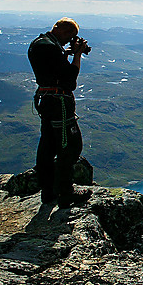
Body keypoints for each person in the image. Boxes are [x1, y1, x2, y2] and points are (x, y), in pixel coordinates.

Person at [27, 18, 91, 207]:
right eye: (68, 37)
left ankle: (47, 192)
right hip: (59, 104)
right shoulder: (51, 48)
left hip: (46, 100)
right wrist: (77, 56)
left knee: (47, 145)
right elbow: (70, 80)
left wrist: (66, 52)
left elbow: (52, 65)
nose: (67, 41)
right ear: (60, 31)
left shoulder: (39, 43)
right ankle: (66, 192)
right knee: (69, 146)